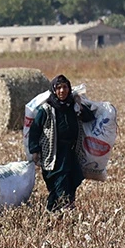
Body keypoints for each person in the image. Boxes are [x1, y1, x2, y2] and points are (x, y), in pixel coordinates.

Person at [28, 74, 95, 212]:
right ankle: (64, 209)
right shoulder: (46, 109)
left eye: (65, 87)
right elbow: (35, 130)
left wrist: (79, 105)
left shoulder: (73, 106)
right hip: (54, 153)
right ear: (54, 90)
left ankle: (57, 211)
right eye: (58, 88)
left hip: (71, 151)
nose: (62, 91)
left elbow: (89, 117)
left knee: (71, 180)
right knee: (59, 181)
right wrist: (34, 150)